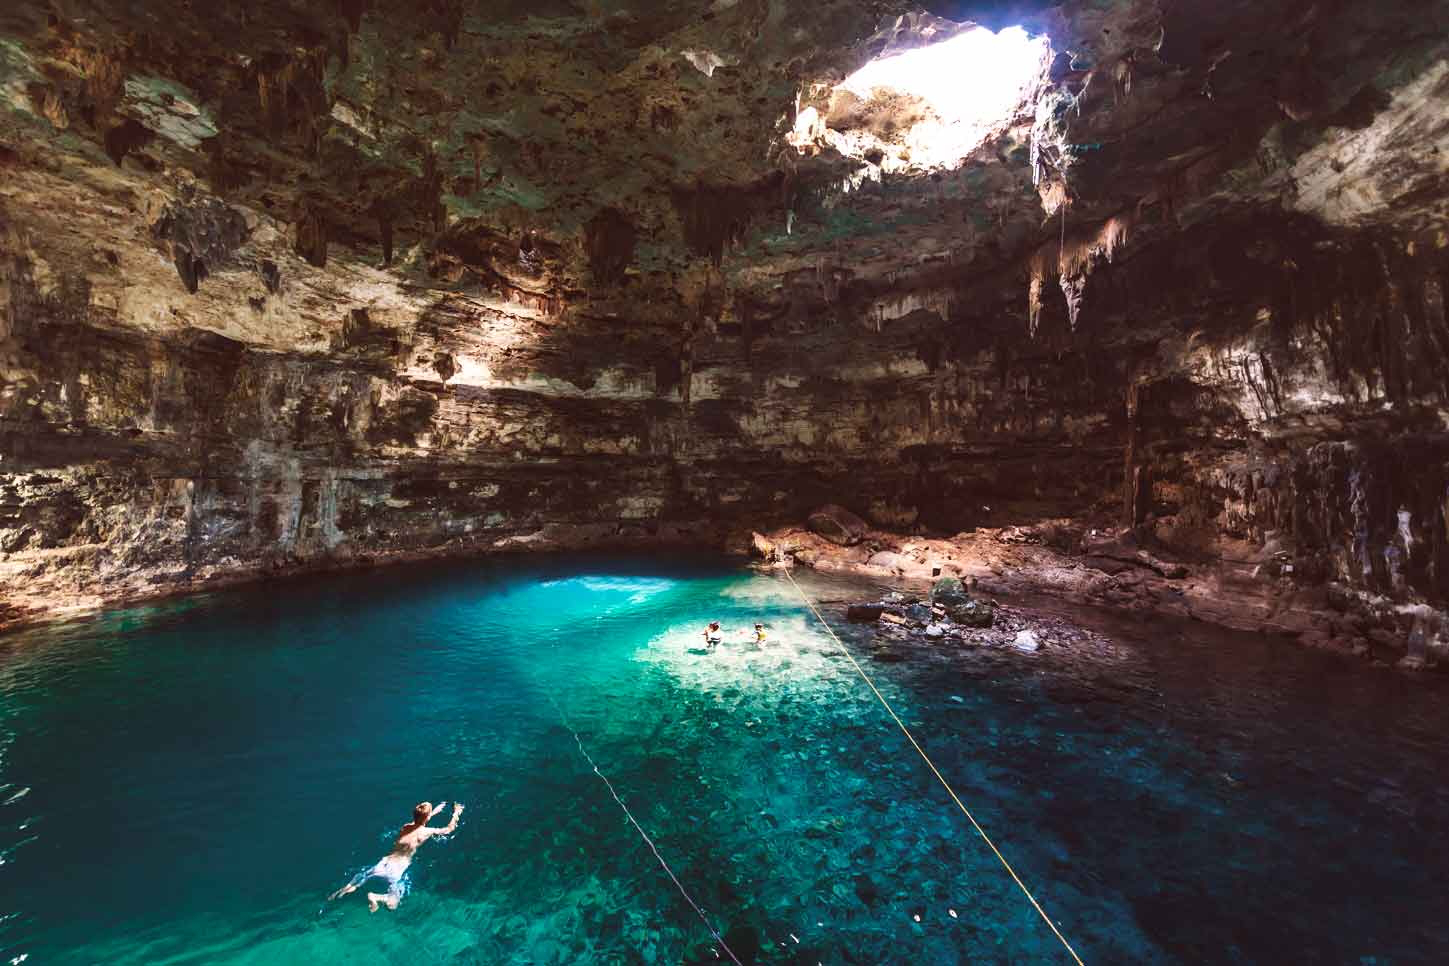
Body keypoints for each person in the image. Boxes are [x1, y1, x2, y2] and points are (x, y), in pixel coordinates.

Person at [328, 801, 463, 911]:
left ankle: (340, 892)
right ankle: (375, 897)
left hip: (383, 863)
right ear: (427, 818)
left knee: (357, 881)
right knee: (392, 904)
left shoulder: (405, 827)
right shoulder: (427, 832)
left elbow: (418, 822)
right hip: (397, 869)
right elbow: (449, 829)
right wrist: (457, 812)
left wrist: (433, 813)